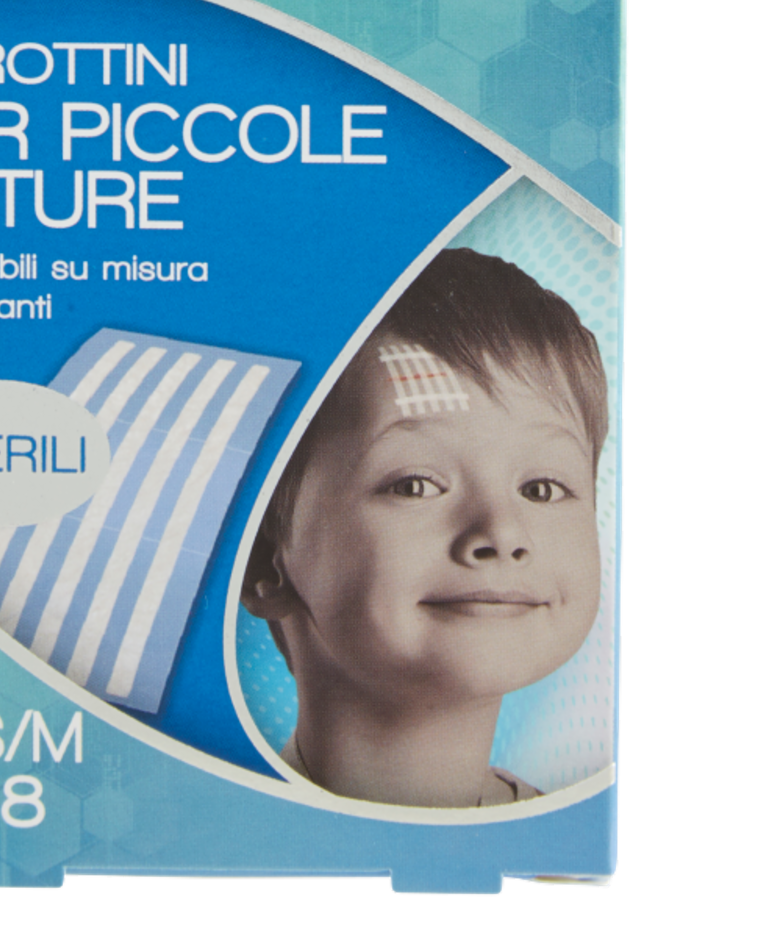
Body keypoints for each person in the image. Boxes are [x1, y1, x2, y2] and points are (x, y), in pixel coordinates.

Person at [241, 249, 607, 808]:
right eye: (414, 485)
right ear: (264, 557)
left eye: (541, 489)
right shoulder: (207, 834)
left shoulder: (565, 847)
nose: (502, 533)